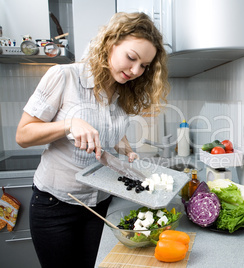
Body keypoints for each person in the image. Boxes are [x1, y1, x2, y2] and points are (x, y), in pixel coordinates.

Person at [15, 12, 170, 268]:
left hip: (100, 204)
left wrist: (125, 147)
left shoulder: (123, 92)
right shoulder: (64, 76)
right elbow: (23, 134)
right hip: (55, 206)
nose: (135, 70)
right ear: (111, 42)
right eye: (131, 58)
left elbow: (108, 130)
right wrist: (69, 124)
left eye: (144, 66)